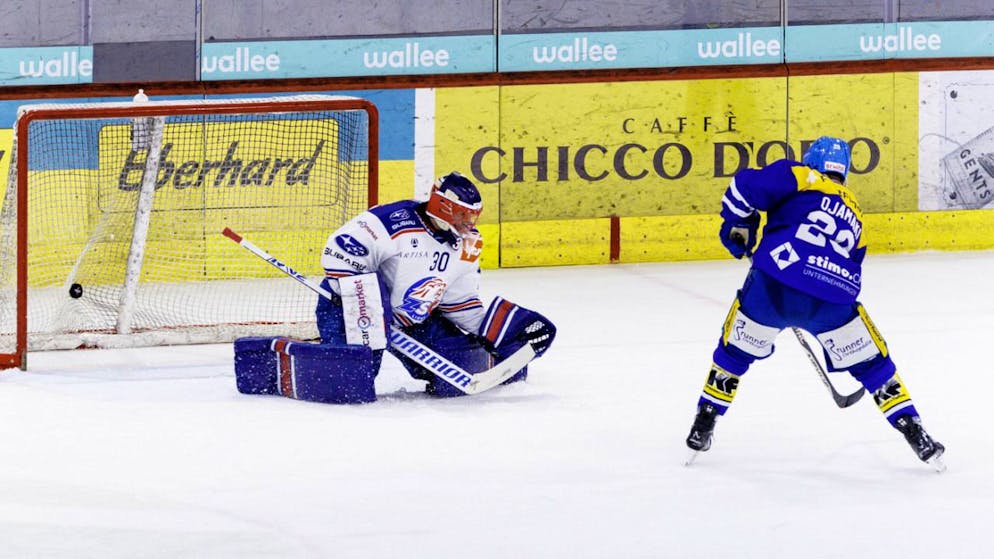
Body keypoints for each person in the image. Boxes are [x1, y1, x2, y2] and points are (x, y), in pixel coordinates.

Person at [684, 136, 945, 469]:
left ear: (812, 161)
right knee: (874, 366)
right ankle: (915, 432)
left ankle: (704, 422)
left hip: (773, 286)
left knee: (733, 353)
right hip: (833, 300)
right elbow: (854, 258)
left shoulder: (802, 176)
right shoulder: (854, 209)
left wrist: (739, 225)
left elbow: (744, 186)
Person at [315, 171, 556, 397]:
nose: (469, 223)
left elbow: (459, 301)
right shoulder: (391, 220)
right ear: (443, 206)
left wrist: (494, 330)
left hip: (413, 319)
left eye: (473, 215)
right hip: (348, 306)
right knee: (348, 384)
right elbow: (338, 254)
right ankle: (289, 361)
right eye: (462, 214)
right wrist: (372, 307)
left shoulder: (468, 244)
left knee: (454, 371)